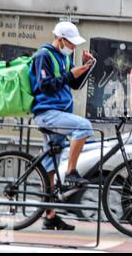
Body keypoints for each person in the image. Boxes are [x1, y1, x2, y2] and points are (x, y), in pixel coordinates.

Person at [30, 21, 95, 230]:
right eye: (71, 43)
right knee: (84, 127)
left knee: (50, 165)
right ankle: (71, 172)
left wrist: (86, 68)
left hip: (59, 114)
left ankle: (50, 216)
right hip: (47, 114)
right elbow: (46, 86)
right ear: (60, 39)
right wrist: (71, 74)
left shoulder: (64, 56)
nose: (73, 47)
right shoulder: (43, 56)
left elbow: (73, 83)